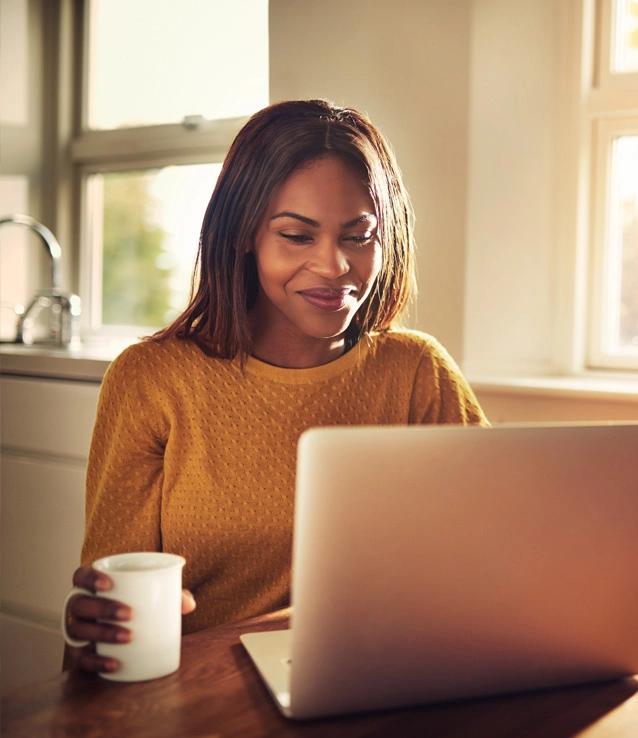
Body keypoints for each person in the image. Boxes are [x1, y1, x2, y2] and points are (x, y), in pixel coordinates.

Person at [63, 99, 488, 675]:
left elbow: (495, 553)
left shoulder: (418, 373)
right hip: (199, 694)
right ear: (244, 233)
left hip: (378, 678)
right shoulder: (152, 380)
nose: (334, 266)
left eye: (359, 236)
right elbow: (106, 620)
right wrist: (94, 631)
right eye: (296, 235)